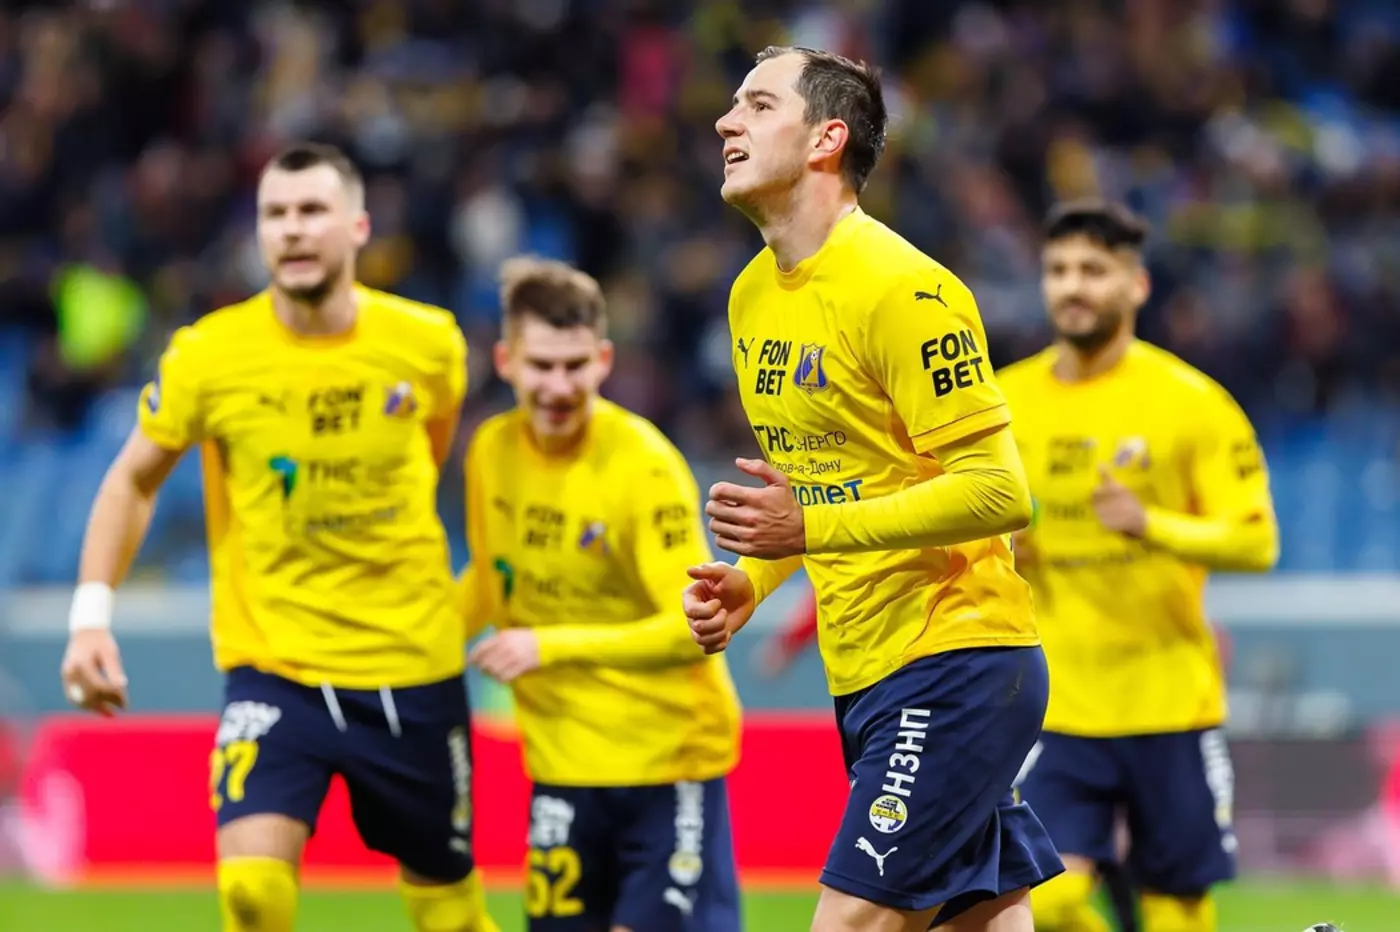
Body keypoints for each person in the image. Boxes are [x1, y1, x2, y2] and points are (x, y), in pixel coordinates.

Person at [57, 142, 498, 932]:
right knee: (253, 894)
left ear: (358, 226)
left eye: (313, 210)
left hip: (411, 662)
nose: (293, 229)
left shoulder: (429, 343)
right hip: (274, 665)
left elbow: (430, 457)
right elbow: (131, 481)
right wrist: (90, 618)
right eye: (275, 214)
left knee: (450, 917)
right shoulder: (209, 355)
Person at [683, 45, 1064, 932]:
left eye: (758, 105)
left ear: (827, 139)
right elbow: (819, 485)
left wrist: (806, 530)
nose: (726, 121)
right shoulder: (750, 298)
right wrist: (754, 578)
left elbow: (999, 493)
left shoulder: (905, 289)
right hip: (864, 670)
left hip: (956, 657)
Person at [999, 199, 1279, 932]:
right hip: (1057, 707)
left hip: (1171, 702)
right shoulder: (1003, 402)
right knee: (1043, 901)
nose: (1073, 286)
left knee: (1177, 912)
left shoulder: (1192, 403)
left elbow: (1256, 543)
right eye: (1059, 270)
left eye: (1094, 270)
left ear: (1137, 285)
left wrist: (1149, 524)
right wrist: (1000, 547)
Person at [458, 256, 743, 932]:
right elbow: (490, 581)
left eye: (575, 365)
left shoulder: (643, 464)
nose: (559, 387)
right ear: (505, 361)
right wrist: (402, 644)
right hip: (560, 771)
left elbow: (692, 627)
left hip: (666, 764)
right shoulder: (490, 452)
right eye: (541, 365)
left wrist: (547, 647)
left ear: (604, 360)